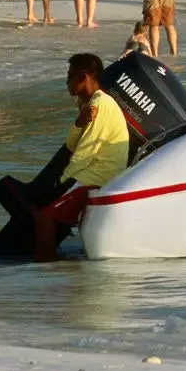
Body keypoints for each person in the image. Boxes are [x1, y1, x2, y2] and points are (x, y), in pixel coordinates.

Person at [33, 53, 130, 262]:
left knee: (44, 216)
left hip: (98, 174)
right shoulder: (88, 104)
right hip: (91, 171)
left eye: (70, 76)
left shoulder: (100, 104)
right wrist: (78, 122)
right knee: (43, 209)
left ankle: (43, 271)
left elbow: (87, 150)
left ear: (84, 77)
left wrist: (61, 183)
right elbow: (71, 144)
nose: (66, 81)